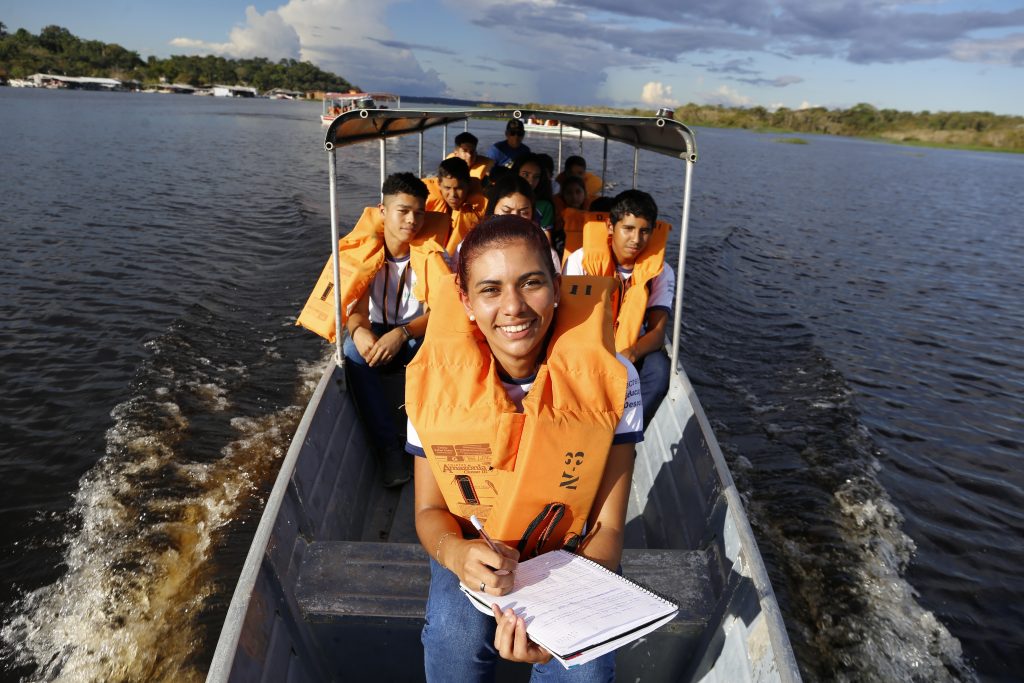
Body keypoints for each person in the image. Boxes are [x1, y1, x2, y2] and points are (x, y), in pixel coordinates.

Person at [405, 215, 643, 681]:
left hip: (573, 554)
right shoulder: (432, 383)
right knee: (453, 637)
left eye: (531, 283)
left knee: (584, 670)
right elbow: (429, 509)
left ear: (557, 287)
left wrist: (554, 611)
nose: (513, 306)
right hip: (474, 549)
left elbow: (609, 528)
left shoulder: (614, 378)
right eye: (490, 289)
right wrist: (455, 555)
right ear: (465, 301)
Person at [342, 172, 450, 487]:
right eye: (403, 211)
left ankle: (429, 444)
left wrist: (402, 333)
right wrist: (359, 332)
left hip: (417, 333)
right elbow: (357, 313)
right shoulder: (367, 254)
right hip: (376, 328)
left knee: (440, 351)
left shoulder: (433, 255)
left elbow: (441, 314)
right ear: (384, 211)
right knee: (352, 353)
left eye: (419, 212)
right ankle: (389, 448)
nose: (412, 219)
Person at [563, 190, 674, 428]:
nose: (636, 239)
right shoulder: (581, 261)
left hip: (631, 346)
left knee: (660, 371)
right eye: (629, 229)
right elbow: (568, 321)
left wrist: (629, 355)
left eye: (644, 231)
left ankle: (626, 435)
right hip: (587, 342)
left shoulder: (661, 271)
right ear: (611, 228)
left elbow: (657, 333)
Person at [424, 157, 487, 256]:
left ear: (469, 185)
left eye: (459, 188)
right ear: (439, 184)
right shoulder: (423, 205)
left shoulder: (483, 210)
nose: (453, 194)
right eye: (447, 188)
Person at [512, 153, 555, 234]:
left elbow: (546, 239)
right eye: (525, 175)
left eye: (536, 177)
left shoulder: (544, 206)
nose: (530, 181)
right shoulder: (503, 198)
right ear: (516, 173)